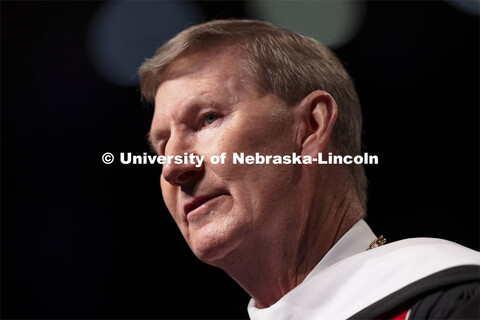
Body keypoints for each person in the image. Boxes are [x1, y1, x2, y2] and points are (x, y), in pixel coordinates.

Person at [139, 19, 480, 319]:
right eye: (162, 145)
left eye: (208, 119)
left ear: (311, 127)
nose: (173, 167)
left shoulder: (453, 302)